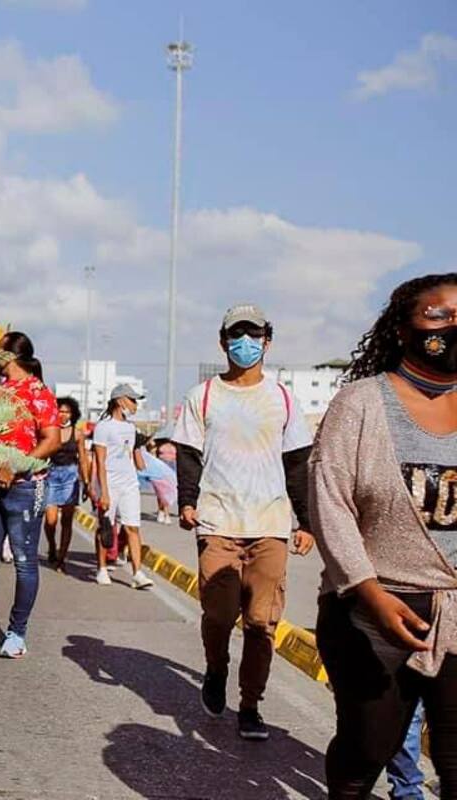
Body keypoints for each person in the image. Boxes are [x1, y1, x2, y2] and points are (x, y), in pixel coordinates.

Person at [311, 273, 457, 797]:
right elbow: (330, 502)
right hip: (372, 612)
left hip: (456, 612)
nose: (453, 326)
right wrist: (368, 592)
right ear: (401, 330)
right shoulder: (360, 405)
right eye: (439, 315)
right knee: (367, 747)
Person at [172, 303, 315, 741]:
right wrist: (187, 500)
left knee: (260, 622)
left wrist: (304, 521)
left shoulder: (283, 397)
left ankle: (250, 704)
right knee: (218, 614)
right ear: (223, 342)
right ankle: (216, 668)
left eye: (254, 335)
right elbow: (188, 452)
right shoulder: (205, 395)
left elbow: (296, 462)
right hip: (217, 520)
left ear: (267, 342)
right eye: (237, 335)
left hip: (270, 523)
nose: (246, 343)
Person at [0, 332, 60, 659]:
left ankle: (17, 632)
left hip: (26, 486)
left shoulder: (38, 392)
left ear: (11, 355)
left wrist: (16, 468)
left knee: (23, 561)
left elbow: (52, 439)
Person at [91, 385, 154, 590]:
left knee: (132, 527)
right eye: (132, 400)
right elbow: (99, 461)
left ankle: (137, 573)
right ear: (120, 401)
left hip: (129, 483)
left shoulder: (130, 427)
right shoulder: (104, 427)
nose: (136, 405)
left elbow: (130, 454)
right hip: (109, 483)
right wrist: (103, 491)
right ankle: (101, 568)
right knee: (106, 527)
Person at [43, 396, 91, 571]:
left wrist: (86, 481)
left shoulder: (77, 434)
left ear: (72, 414)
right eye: (60, 411)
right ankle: (51, 546)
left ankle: (61, 557)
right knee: (50, 520)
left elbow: (83, 459)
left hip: (70, 476)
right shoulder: (49, 430)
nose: (63, 415)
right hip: (51, 474)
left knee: (67, 520)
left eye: (67, 412)